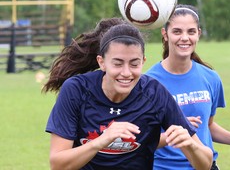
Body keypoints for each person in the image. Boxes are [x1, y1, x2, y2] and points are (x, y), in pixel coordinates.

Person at [43, 17, 213, 170]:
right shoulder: (76, 90)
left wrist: (191, 145)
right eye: (117, 63)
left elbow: (205, 164)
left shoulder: (154, 93)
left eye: (134, 64)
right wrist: (102, 140)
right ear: (101, 62)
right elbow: (58, 164)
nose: (126, 73)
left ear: (143, 62)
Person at [146, 4, 230, 170]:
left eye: (191, 31)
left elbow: (208, 126)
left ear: (198, 34)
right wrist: (177, 130)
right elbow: (143, 138)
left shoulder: (210, 78)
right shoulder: (149, 83)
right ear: (165, 34)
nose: (184, 38)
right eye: (177, 31)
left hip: (204, 165)